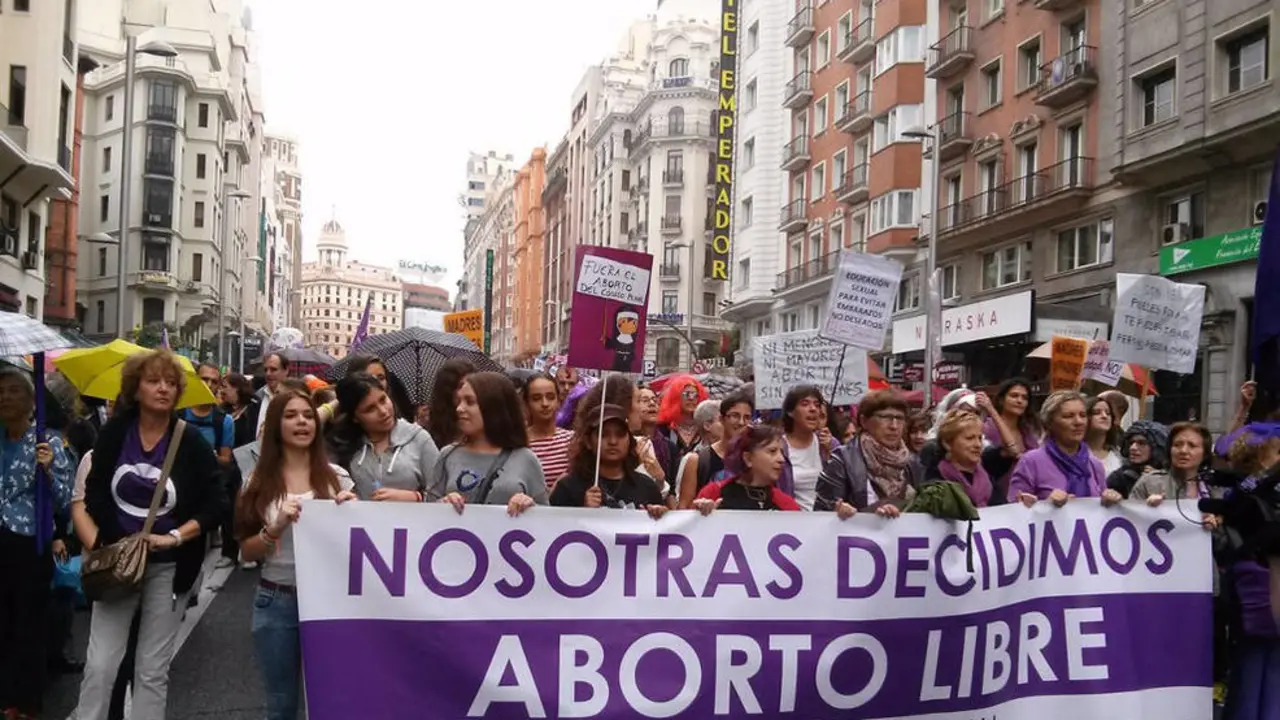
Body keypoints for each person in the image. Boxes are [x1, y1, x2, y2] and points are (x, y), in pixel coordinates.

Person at [74, 350, 226, 720]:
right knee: (100, 665)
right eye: (153, 381)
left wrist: (174, 536)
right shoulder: (115, 432)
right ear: (136, 388)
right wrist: (109, 541)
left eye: (171, 383)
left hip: (169, 567)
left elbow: (216, 502)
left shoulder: (189, 441)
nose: (163, 389)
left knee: (152, 670)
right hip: (119, 563)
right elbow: (94, 491)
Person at [236, 390, 357, 720]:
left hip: (330, 603)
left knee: (332, 698)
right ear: (276, 425)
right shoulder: (257, 481)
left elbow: (357, 548)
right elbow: (246, 549)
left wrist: (354, 514)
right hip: (276, 601)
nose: (302, 422)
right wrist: (273, 529)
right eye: (291, 415)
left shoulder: (338, 478)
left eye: (307, 414)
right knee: (281, 703)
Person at [0, 368, 74, 720]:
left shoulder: (48, 442)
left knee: (27, 626)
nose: (5, 397)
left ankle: (26, 702)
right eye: (0, 391)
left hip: (29, 545)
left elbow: (63, 500)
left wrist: (47, 469)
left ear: (31, 401)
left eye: (14, 391)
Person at [428, 371, 546, 514]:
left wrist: (530, 506)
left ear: (493, 407)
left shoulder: (526, 459)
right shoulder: (447, 455)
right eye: (459, 401)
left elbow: (546, 519)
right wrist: (442, 504)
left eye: (470, 402)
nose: (459, 408)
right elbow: (427, 513)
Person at [331, 373, 440, 502]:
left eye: (383, 400)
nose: (383, 411)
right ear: (355, 417)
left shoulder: (419, 438)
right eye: (370, 409)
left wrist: (415, 497)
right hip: (363, 521)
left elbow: (442, 494)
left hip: (412, 521)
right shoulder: (346, 447)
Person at [815, 389, 924, 515]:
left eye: (899, 418)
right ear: (864, 421)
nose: (894, 426)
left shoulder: (913, 463)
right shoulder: (842, 460)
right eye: (885, 417)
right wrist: (839, 510)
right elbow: (821, 512)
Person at [1007, 390, 1123, 508]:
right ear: (1049, 423)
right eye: (1068, 416)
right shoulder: (1031, 462)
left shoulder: (1095, 465)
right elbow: (1014, 514)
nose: (1078, 422)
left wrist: (1109, 501)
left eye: (1082, 415)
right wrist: (1046, 505)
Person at [549, 403, 665, 516]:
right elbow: (552, 529)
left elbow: (662, 529)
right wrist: (583, 512)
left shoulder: (647, 487)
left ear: (629, 439)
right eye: (603, 435)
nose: (613, 441)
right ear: (588, 442)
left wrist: (659, 515)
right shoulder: (568, 488)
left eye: (620, 434)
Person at [692, 424, 801, 513]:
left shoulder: (787, 506)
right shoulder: (713, 494)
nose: (781, 459)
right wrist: (701, 515)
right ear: (748, 458)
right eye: (772, 451)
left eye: (782, 453)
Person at [677, 393, 754, 508]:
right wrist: (700, 506)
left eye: (747, 417)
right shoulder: (697, 461)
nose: (741, 422)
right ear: (722, 419)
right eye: (735, 416)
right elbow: (684, 509)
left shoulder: (756, 459)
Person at [782, 385, 832, 510]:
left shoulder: (829, 442)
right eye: (805, 404)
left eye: (817, 405)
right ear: (790, 412)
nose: (813, 409)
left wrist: (829, 453)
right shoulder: (778, 446)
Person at [523, 372, 573, 489]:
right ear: (527, 403)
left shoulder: (572, 440)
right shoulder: (519, 443)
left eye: (550, 397)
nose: (545, 404)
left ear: (559, 402)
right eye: (536, 398)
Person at [426, 358, 475, 449]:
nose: (468, 391)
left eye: (473, 384)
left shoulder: (483, 423)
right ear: (448, 391)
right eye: (461, 386)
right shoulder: (428, 436)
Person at [253, 353, 290, 438]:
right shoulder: (257, 398)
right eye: (266, 370)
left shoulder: (296, 398)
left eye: (273, 369)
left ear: (286, 370)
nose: (268, 374)